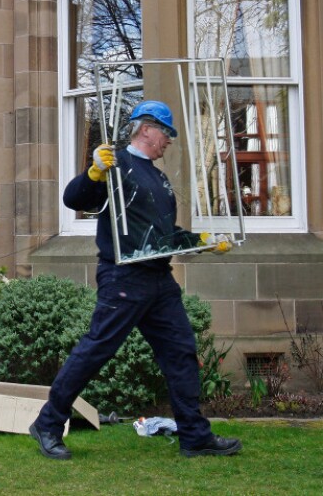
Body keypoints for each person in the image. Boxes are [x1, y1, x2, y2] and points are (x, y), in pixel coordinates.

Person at [29, 100, 241, 460]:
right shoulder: (116, 164)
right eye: (166, 133)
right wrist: (94, 172)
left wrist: (201, 242)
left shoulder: (157, 176)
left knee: (181, 353)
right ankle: (48, 424)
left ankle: (194, 436)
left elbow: (161, 235)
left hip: (159, 280)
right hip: (123, 277)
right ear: (146, 130)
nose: (169, 141)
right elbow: (74, 198)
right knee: (96, 350)